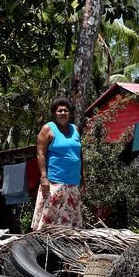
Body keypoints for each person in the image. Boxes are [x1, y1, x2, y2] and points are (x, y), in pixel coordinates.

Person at [31, 97, 85, 230]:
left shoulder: (75, 129)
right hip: (54, 182)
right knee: (50, 221)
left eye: (66, 111)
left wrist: (83, 176)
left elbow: (79, 154)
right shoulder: (48, 129)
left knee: (70, 224)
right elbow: (40, 154)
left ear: (70, 113)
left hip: (72, 182)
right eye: (59, 111)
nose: (63, 113)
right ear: (54, 113)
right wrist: (44, 177)